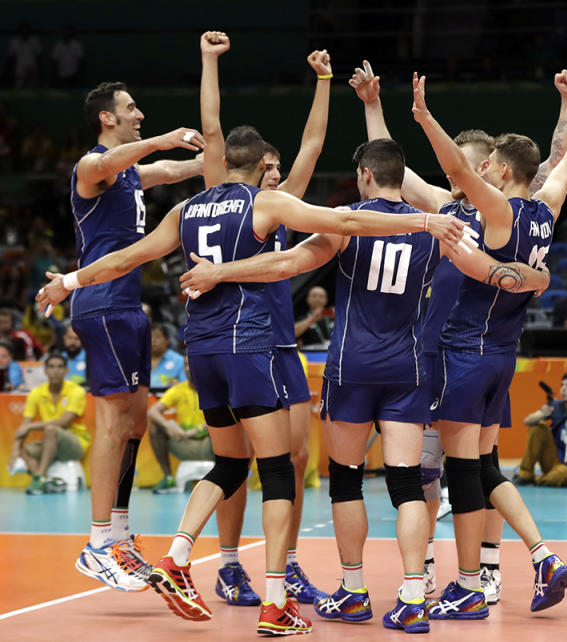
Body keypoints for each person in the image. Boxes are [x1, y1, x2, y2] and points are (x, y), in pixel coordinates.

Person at [39, 124, 471, 634]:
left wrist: (71, 280)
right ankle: (352, 599)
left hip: (250, 355)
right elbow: (357, 226)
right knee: (349, 478)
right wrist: (435, 223)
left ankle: (204, 562)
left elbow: (137, 258)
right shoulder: (279, 206)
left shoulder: (191, 211)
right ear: (257, 166)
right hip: (345, 359)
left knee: (256, 466)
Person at [175, 135, 548, 633]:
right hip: (409, 370)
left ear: (366, 175)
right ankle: (414, 595)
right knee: (407, 484)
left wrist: (221, 273)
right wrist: (535, 278)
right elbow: (488, 270)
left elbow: (286, 265)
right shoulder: (433, 232)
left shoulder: (348, 224)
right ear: (401, 176)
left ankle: (353, 592)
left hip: (351, 369)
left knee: (347, 477)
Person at [347, 59, 567, 606]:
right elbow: (392, 171)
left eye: (470, 168)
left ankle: (483, 575)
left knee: (472, 466)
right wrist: (372, 105)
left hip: (464, 353)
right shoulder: (446, 208)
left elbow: (552, 166)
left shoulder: (496, 213)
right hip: (438, 352)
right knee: (443, 470)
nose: (459, 176)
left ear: (490, 171)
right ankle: (431, 568)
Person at [412, 72, 567, 618]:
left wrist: (424, 117)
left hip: (465, 352)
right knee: (485, 469)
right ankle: (542, 555)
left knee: (463, 475)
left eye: (491, 166)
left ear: (503, 170)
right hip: (504, 355)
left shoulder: (499, 213)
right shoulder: (547, 209)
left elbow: (457, 169)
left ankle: (466, 589)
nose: (482, 173)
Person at [197, 31, 333, 606]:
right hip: (233, 341)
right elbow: (211, 132)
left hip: (280, 346)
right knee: (236, 460)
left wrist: (325, 82)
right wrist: (209, 64)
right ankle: (229, 566)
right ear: (250, 170)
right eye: (269, 166)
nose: (277, 172)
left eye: (279, 166)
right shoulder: (225, 199)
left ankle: (289, 563)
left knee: (296, 459)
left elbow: (314, 142)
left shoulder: (280, 209)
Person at [66, 80, 206, 592]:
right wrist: (164, 138)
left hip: (126, 305)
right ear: (108, 119)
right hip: (101, 302)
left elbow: (164, 171)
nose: (139, 113)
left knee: (135, 420)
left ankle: (119, 533)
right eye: (130, 108)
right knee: (112, 420)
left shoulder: (127, 176)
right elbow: (131, 160)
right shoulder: (91, 167)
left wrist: (205, 163)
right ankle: (97, 544)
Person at [9, 353, 90, 494]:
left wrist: (30, 426)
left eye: (60, 367)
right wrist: (15, 450)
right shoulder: (36, 393)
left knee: (51, 429)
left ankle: (39, 477)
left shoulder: (76, 391)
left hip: (75, 442)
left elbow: (64, 422)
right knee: (22, 446)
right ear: (45, 370)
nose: (55, 371)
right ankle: (44, 480)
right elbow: (24, 425)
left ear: (66, 370)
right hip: (49, 442)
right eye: (51, 367)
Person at [147, 356, 212, 494]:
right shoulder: (178, 389)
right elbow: (153, 411)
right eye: (186, 365)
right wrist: (167, 426)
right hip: (185, 443)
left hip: (210, 444)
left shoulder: (215, 387)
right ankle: (169, 478)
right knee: (155, 426)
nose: (189, 368)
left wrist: (196, 430)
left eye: (192, 364)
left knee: (224, 426)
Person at [515, 373, 567, 486]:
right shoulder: (554, 406)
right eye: (562, 385)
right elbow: (527, 421)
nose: (563, 389)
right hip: (553, 460)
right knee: (538, 426)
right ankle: (526, 474)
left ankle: (539, 480)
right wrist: (542, 415)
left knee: (564, 474)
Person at [149, 325, 185, 390]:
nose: (153, 340)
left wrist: (179, 385)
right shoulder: (139, 361)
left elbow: (187, 386)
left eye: (157, 337)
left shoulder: (179, 360)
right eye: (149, 337)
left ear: (167, 340)